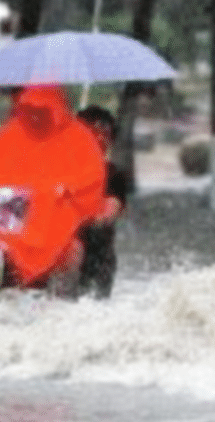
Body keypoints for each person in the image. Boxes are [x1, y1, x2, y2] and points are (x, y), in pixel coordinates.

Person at [0, 85, 107, 298]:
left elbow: (89, 183)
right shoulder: (9, 133)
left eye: (42, 111)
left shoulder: (79, 138)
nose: (35, 117)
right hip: (5, 219)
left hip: (50, 220)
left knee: (70, 249)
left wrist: (58, 191)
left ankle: (57, 310)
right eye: (30, 110)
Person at [75, 105, 135, 299]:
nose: (99, 139)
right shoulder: (59, 173)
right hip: (59, 257)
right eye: (92, 133)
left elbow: (108, 214)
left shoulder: (113, 175)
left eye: (105, 134)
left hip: (98, 258)